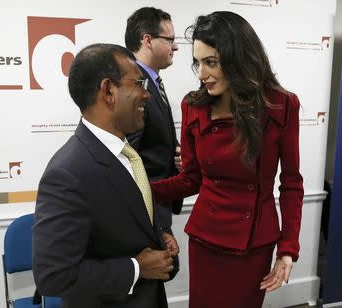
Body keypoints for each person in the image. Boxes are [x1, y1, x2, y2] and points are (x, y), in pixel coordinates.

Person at [151, 11, 304, 308]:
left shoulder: (281, 105)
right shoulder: (192, 105)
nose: (202, 74)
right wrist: (142, 188)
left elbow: (291, 183)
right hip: (206, 238)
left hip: (253, 245)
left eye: (211, 62)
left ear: (239, 58)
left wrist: (288, 249)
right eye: (198, 63)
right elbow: (191, 178)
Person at [32, 43, 179, 308]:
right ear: (109, 90)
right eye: (138, 83)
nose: (146, 95)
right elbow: (53, 276)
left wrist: (159, 236)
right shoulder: (67, 173)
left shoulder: (129, 154)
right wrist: (136, 268)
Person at [124, 7, 183, 260]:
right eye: (170, 39)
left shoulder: (152, 82)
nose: (176, 47)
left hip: (158, 207)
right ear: (147, 40)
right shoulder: (133, 86)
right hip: (144, 216)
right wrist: (158, 225)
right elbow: (129, 161)